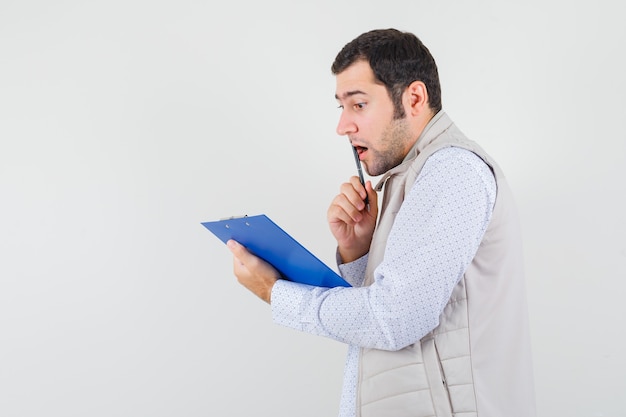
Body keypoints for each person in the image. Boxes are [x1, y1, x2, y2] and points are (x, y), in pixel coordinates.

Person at [226, 28, 536, 417]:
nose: (343, 126)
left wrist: (277, 293)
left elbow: (394, 319)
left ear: (415, 98)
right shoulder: (412, 178)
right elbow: (394, 313)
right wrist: (360, 253)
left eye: (358, 105)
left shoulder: (450, 170)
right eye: (341, 107)